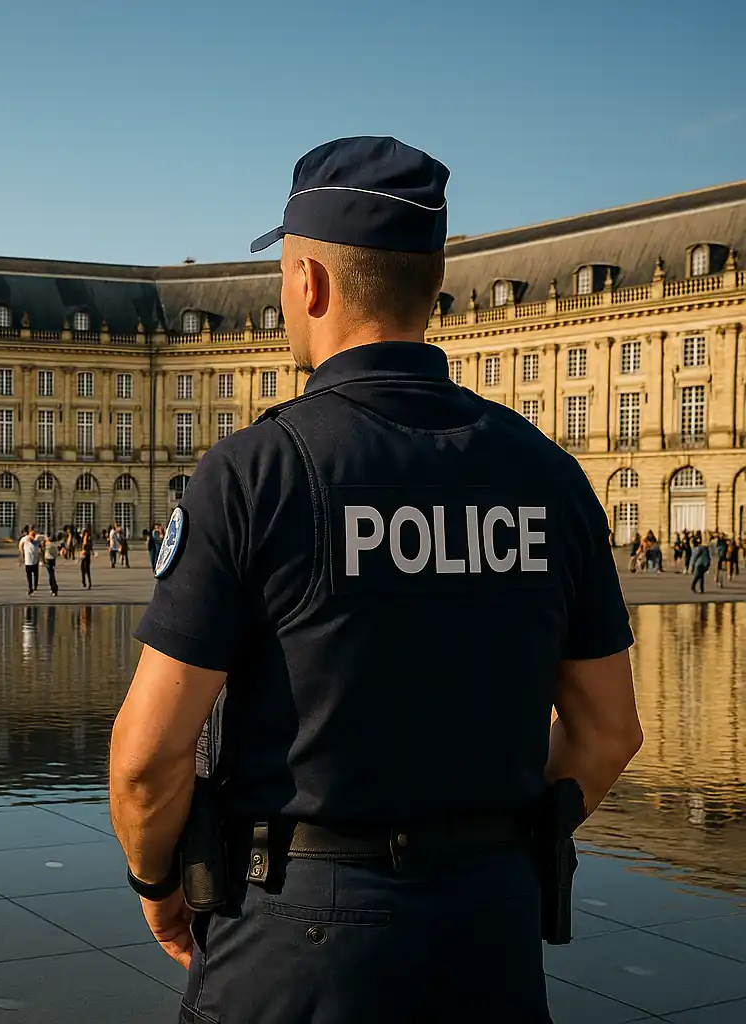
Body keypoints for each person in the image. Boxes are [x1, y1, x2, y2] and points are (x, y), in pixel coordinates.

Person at [108, 137, 643, 1023]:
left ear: (309, 282)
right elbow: (609, 732)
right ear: (431, 287)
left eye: (283, 275)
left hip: (295, 942)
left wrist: (158, 879)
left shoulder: (257, 471)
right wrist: (495, 844)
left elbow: (148, 758)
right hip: (489, 940)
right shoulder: (551, 478)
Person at [20, 528, 41, 595]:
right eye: (31, 536)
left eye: (33, 537)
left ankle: (35, 586)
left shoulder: (36, 541)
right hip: (28, 561)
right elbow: (20, 544)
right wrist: (22, 552)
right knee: (29, 576)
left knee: (36, 574)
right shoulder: (25, 539)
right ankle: (30, 588)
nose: (32, 538)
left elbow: (42, 546)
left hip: (35, 561)